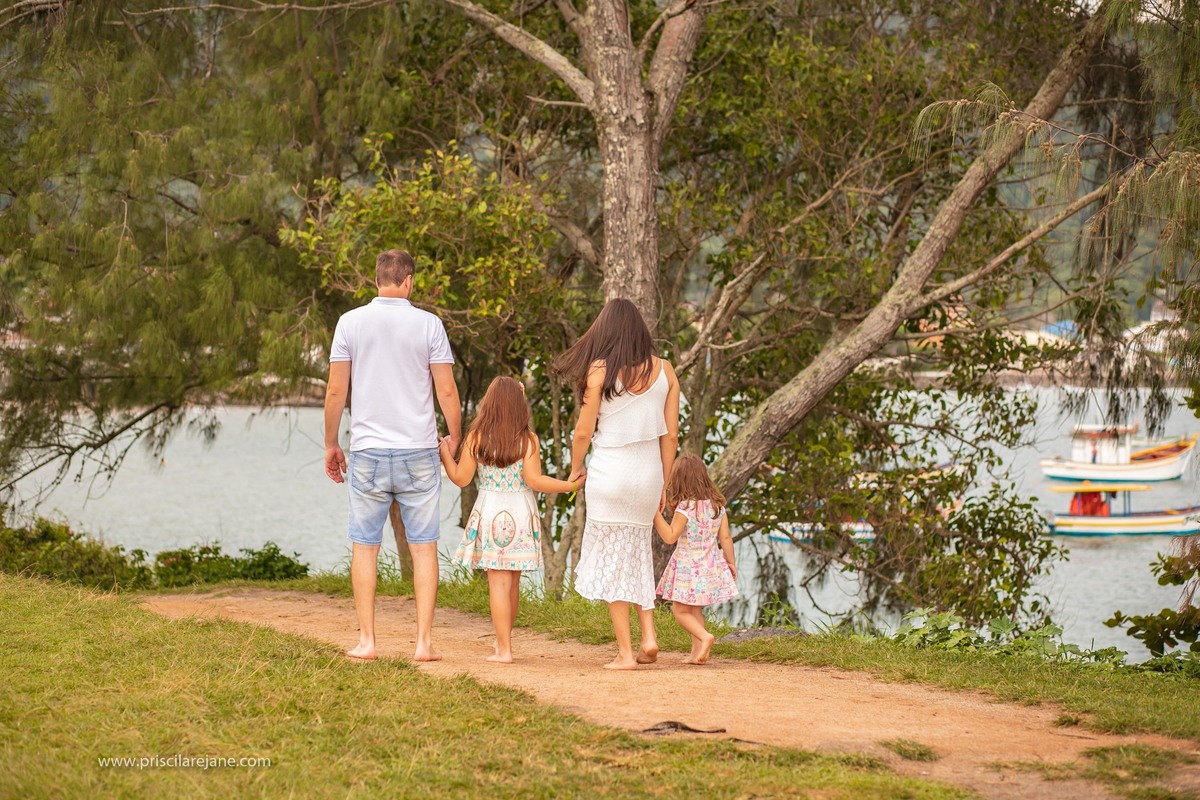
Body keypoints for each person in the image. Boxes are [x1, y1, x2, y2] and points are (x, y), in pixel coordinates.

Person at [323, 249, 462, 662]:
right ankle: (423, 643)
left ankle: (367, 641)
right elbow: (447, 390)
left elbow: (335, 392)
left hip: (366, 451)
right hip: (418, 450)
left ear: (376, 280)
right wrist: (455, 436)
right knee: (424, 547)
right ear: (409, 282)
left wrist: (331, 443)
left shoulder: (350, 322)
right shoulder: (429, 325)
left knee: (365, 547)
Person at [554, 298, 680, 670]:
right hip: (648, 475)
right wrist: (664, 484)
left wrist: (576, 468)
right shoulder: (665, 371)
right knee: (638, 552)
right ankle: (649, 637)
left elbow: (583, 431)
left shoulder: (600, 371)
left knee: (613, 560)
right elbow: (670, 437)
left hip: (611, 472)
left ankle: (626, 653)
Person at [439, 376, 582, 663]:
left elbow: (461, 477)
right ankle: (503, 642)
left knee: (498, 584)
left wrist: (444, 452)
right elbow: (534, 480)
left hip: (491, 510)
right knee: (513, 582)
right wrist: (570, 485)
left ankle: (503, 648)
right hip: (519, 511)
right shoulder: (528, 439)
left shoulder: (477, 436)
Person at [653, 454, 739, 665]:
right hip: (709, 566)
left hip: (687, 568)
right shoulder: (717, 507)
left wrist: (654, 515)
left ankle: (704, 637)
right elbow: (725, 537)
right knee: (694, 610)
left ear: (679, 479)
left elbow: (670, 536)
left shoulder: (686, 508)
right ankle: (696, 653)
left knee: (679, 610)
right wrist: (731, 562)